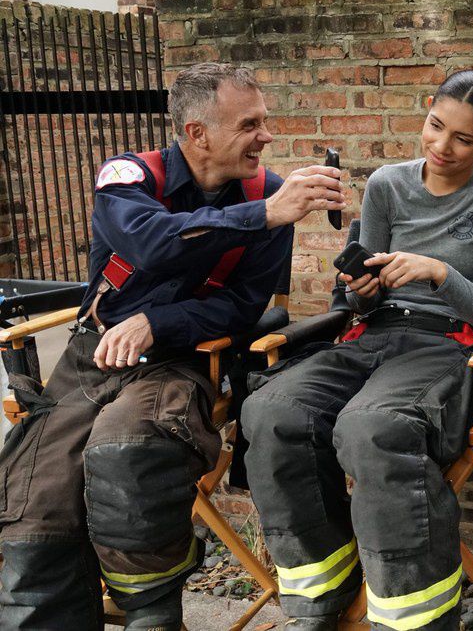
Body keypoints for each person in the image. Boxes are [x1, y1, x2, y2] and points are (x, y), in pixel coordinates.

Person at [0, 62, 345, 630]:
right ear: (197, 133)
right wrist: (261, 216)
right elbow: (151, 243)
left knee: (128, 455)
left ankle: (153, 619)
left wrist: (157, 323)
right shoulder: (128, 178)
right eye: (249, 124)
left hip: (183, 362)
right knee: (38, 498)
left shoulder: (268, 192)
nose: (266, 136)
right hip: (93, 355)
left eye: (263, 120)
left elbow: (242, 306)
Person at [241, 70, 473, 631]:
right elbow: (358, 300)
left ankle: (414, 620)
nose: (442, 146)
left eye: (464, 139)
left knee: (373, 428)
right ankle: (321, 597)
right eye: (435, 125)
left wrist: (439, 273)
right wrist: (361, 289)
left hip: (448, 345)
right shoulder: (387, 185)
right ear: (426, 110)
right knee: (271, 412)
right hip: (374, 335)